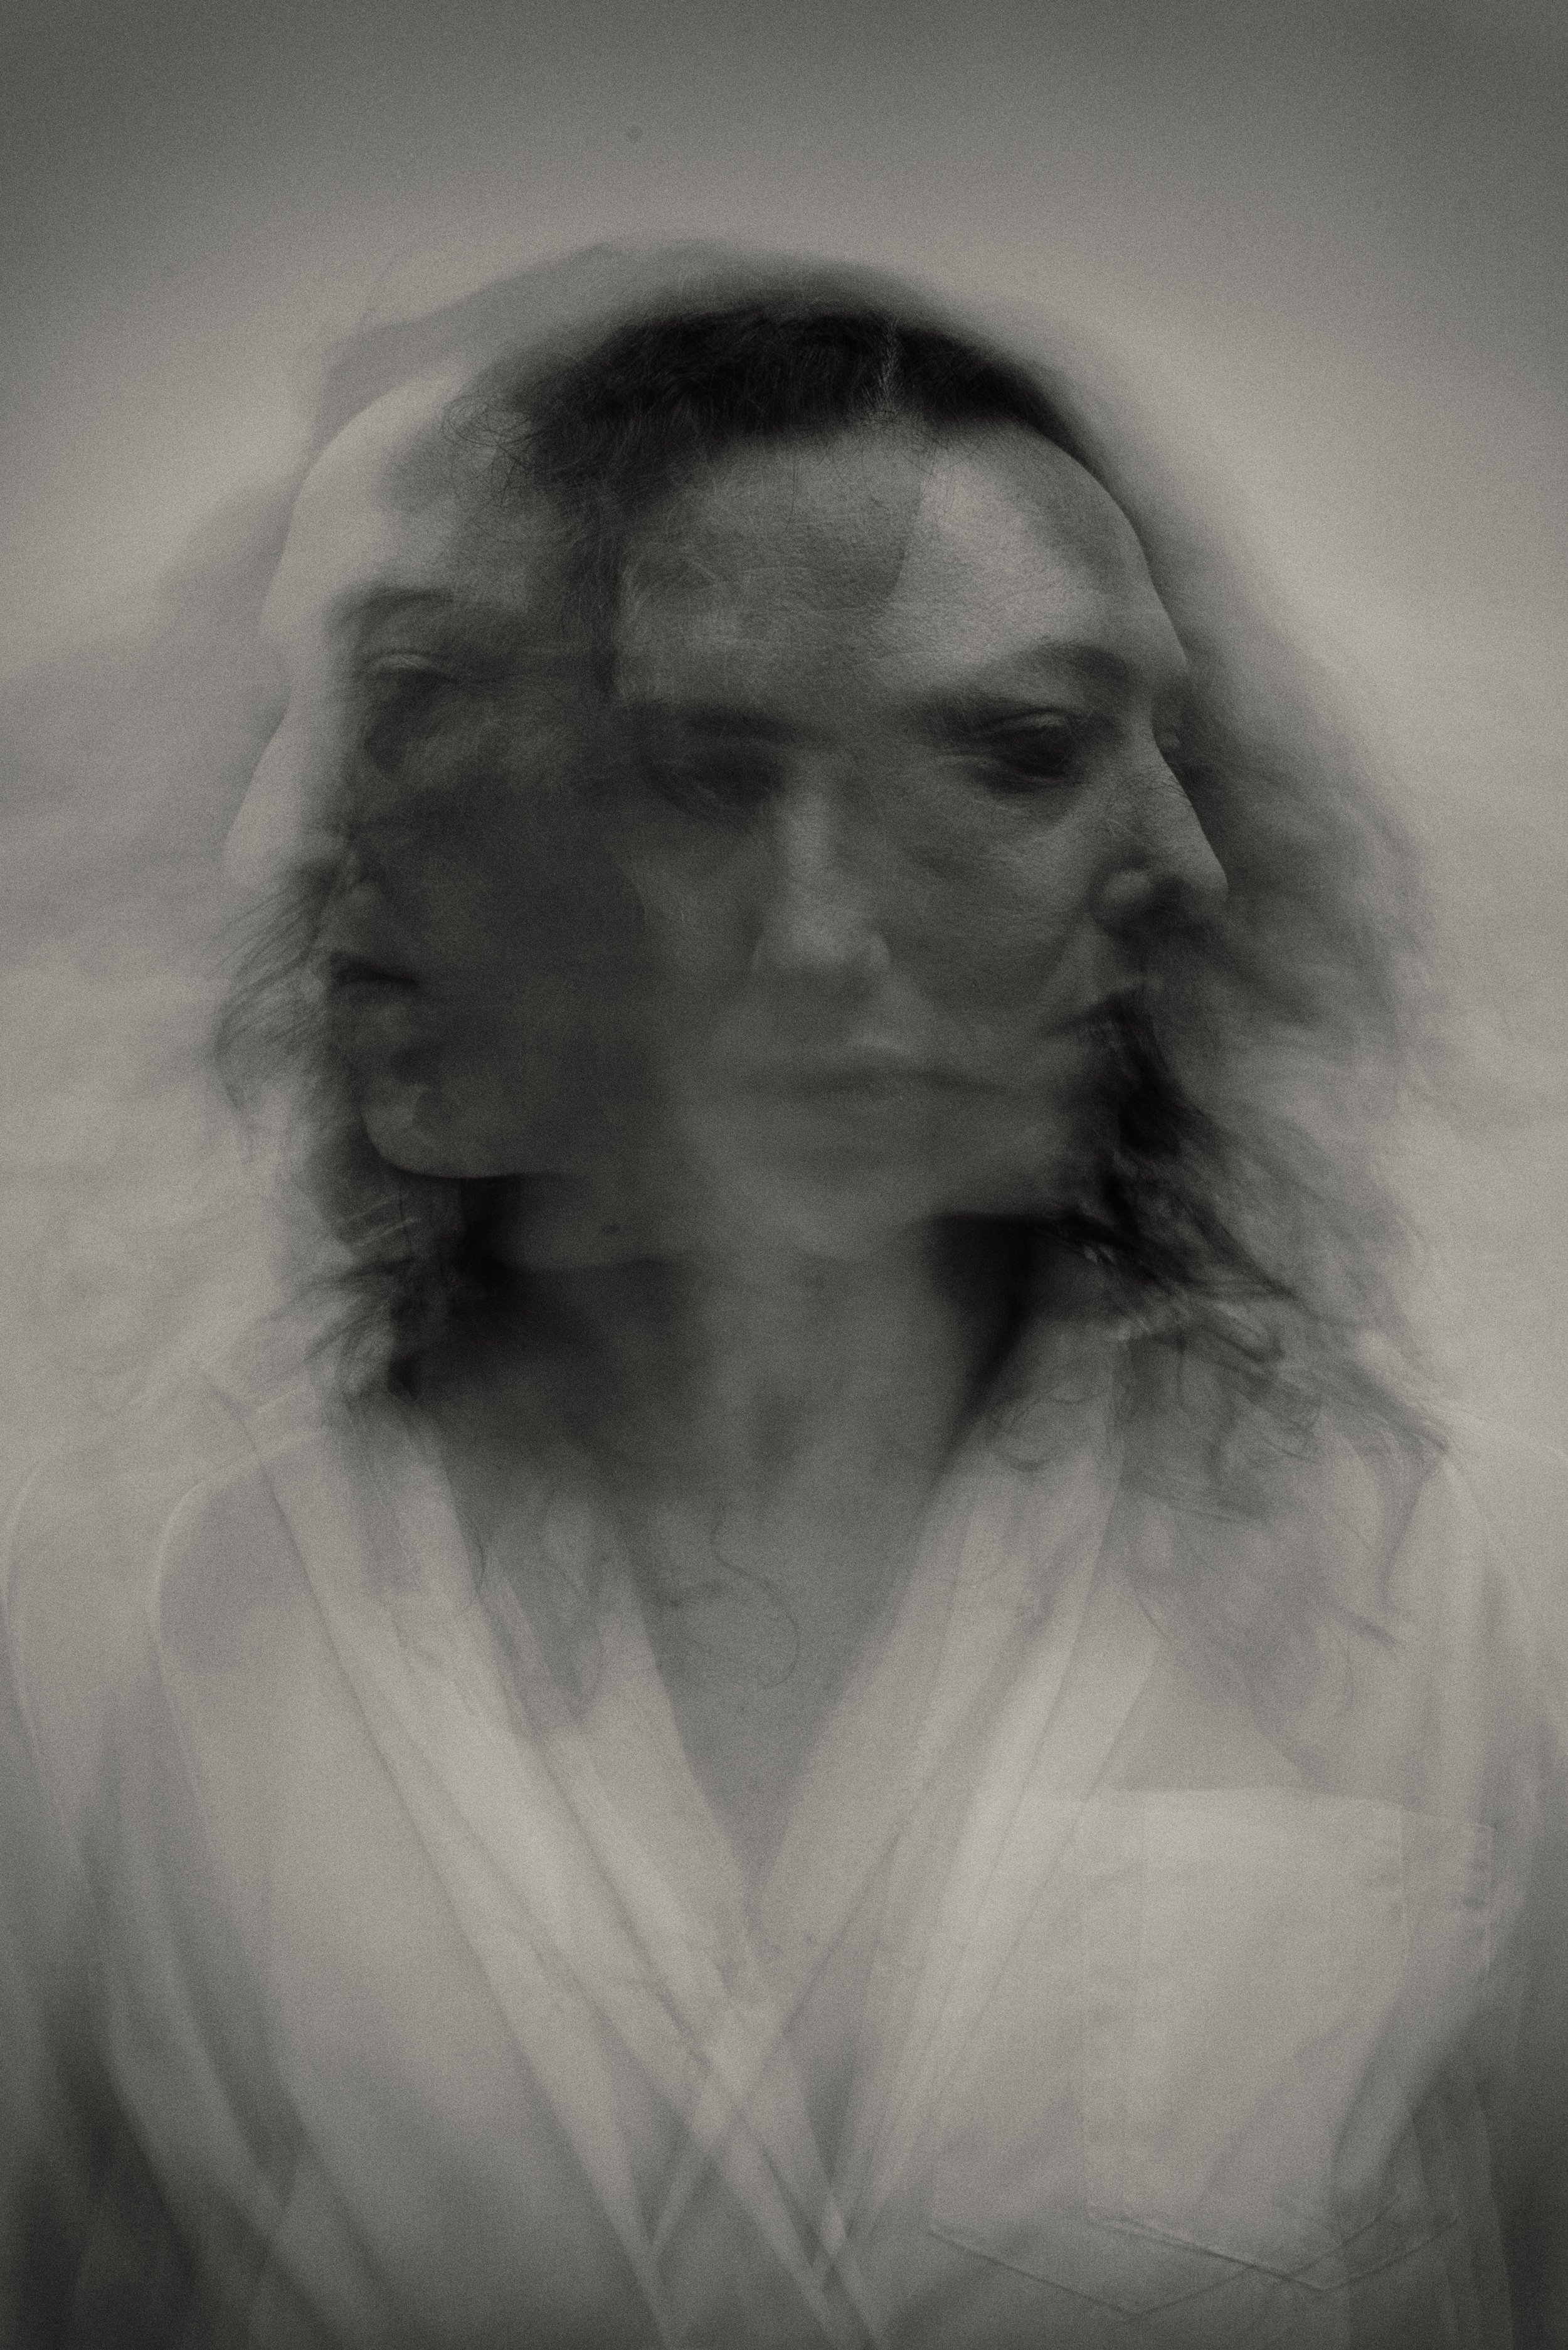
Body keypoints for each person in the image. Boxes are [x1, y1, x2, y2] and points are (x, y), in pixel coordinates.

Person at [3, 245, 1566, 2349]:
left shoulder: (1436, 1594)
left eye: (1147, 739)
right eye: (1026, 747)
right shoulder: (142, 1657)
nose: (1182, 859)